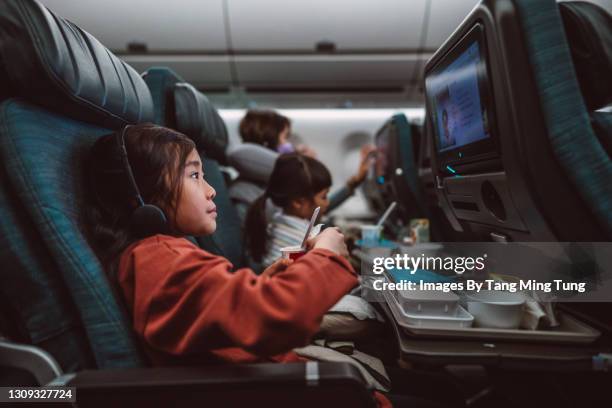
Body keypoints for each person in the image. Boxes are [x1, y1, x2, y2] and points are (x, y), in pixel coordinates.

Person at [228, 109, 374, 223]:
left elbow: (313, 208)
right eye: (285, 137)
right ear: (267, 141)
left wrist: (353, 184)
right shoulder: (244, 193)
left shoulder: (271, 185)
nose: (289, 145)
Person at [245, 153, 332, 267]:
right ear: (298, 202)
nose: (328, 202)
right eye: (324, 197)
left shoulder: (278, 220)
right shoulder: (300, 238)